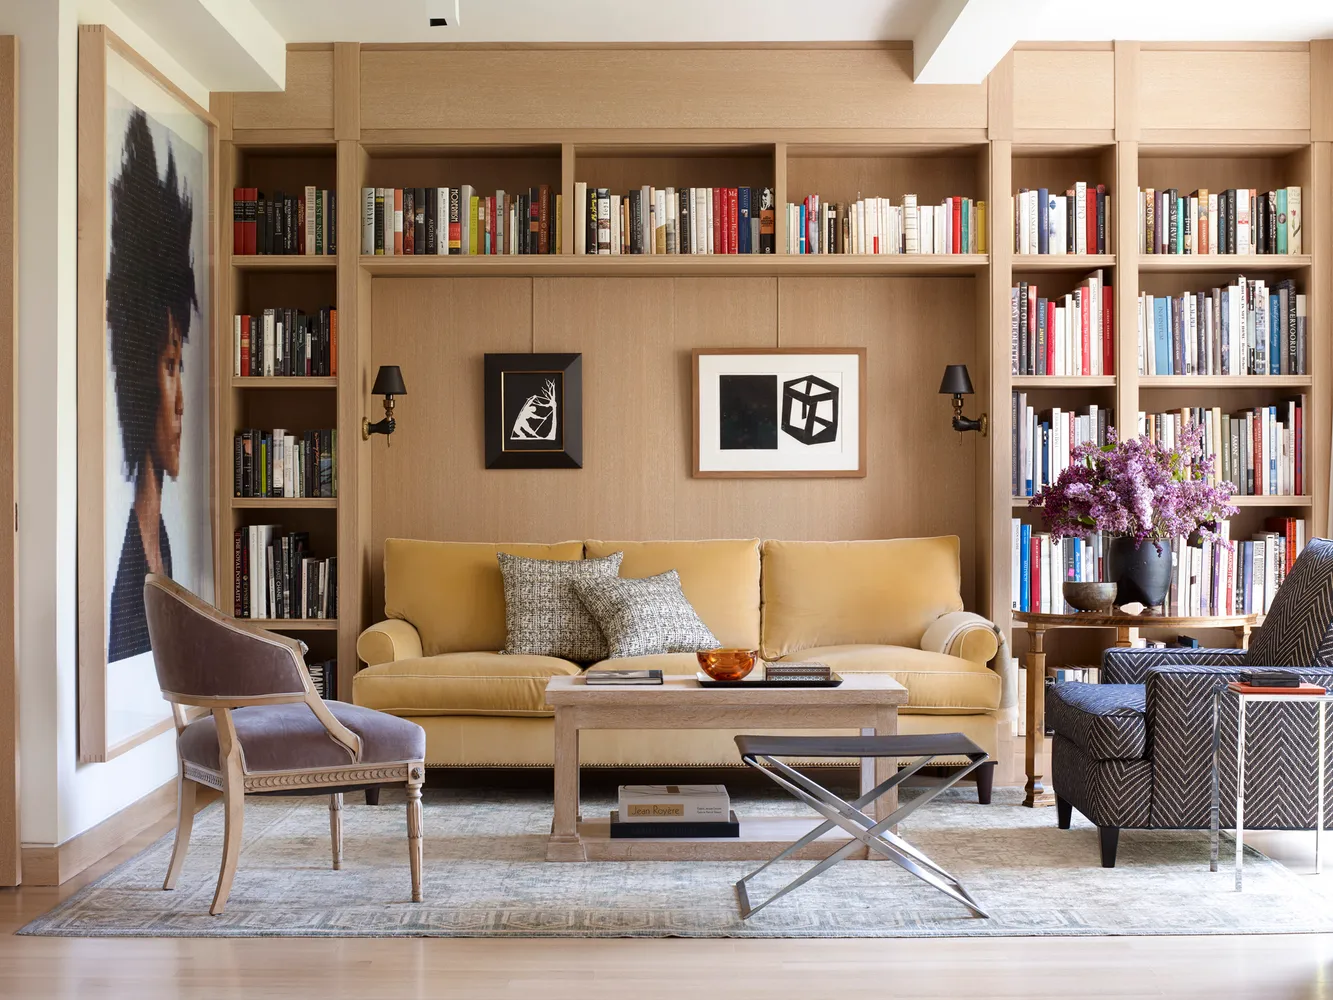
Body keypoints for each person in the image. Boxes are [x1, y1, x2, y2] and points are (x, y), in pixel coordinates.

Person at [106, 109, 197, 662]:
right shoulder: (127, 573)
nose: (183, 399)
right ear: (140, 376)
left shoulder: (158, 541)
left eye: (181, 365)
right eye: (169, 366)